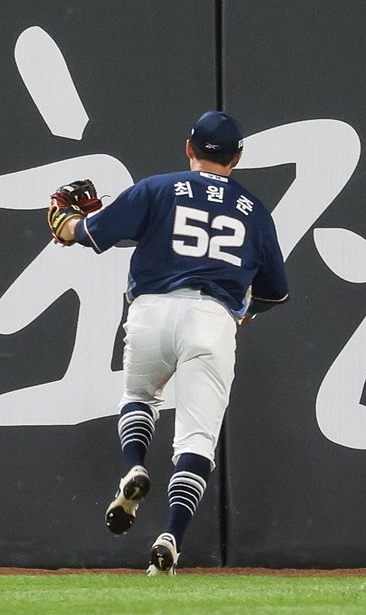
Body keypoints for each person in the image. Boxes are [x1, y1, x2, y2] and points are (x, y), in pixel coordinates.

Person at [50, 111, 289, 575]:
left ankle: (134, 467)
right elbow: (275, 291)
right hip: (213, 318)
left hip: (152, 310)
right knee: (196, 439)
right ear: (237, 157)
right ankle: (170, 539)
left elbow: (87, 231)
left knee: (140, 397)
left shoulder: (159, 188)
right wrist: (245, 312)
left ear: (188, 148)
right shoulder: (255, 212)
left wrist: (66, 223)